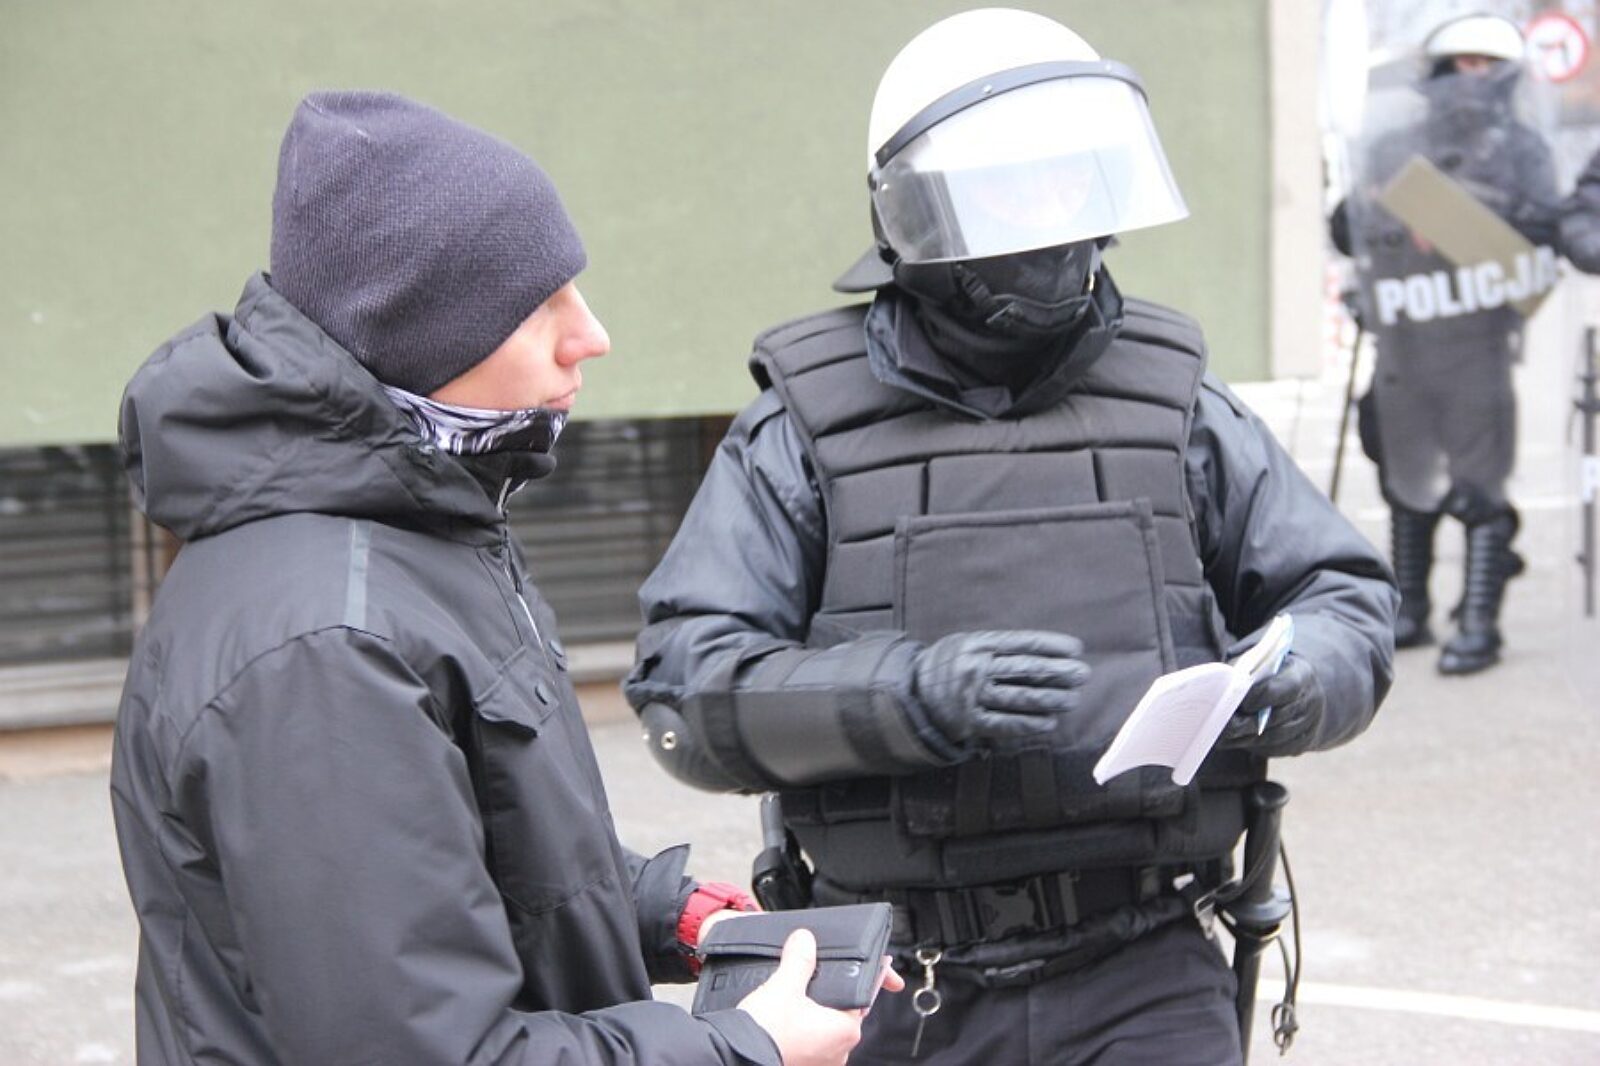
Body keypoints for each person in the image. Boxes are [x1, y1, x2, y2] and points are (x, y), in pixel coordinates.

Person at [624, 10, 1397, 1064]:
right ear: (918, 211)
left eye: (1069, 182)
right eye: (1009, 189)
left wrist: (1303, 679)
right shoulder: (801, 429)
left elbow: (1340, 595)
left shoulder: (1175, 400)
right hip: (897, 976)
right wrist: (906, 695)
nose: (1050, 220)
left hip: (1144, 961)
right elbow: (685, 692)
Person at [110, 90, 888, 1066]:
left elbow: (460, 849)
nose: (589, 333)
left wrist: (667, 910)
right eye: (537, 306)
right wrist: (744, 1047)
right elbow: (427, 1051)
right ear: (417, 333)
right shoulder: (326, 650)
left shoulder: (414, 530)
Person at [1331, 12, 1559, 674]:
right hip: (1405, 337)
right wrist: (1367, 210)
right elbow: (1348, 229)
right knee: (1406, 474)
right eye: (1464, 62)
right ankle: (1412, 607)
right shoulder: (1394, 146)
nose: (1473, 77)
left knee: (1479, 479)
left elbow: (1544, 238)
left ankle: (1481, 620)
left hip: (1478, 339)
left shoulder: (1523, 152)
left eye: (1487, 65)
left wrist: (1474, 220)